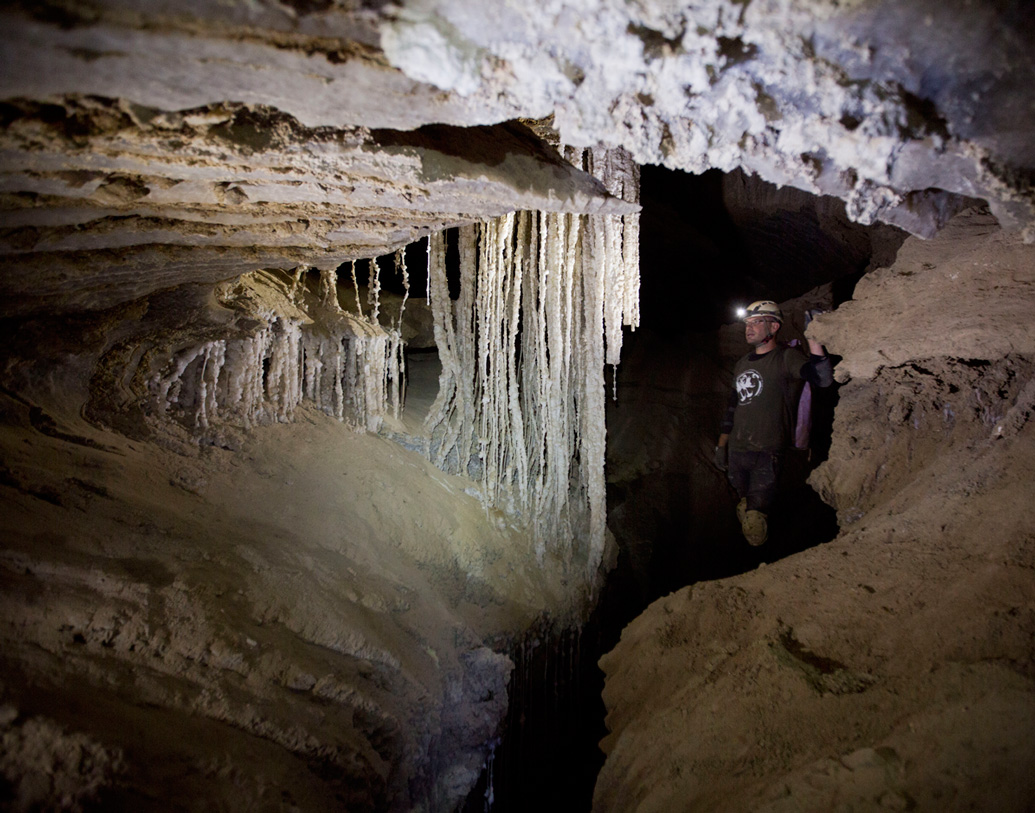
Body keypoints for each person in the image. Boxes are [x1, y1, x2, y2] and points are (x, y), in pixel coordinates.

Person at [714, 300, 833, 545]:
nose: (749, 328)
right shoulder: (742, 364)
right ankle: (749, 561)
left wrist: (814, 338)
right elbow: (732, 406)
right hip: (738, 449)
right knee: (745, 505)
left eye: (757, 322)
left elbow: (822, 379)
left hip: (767, 450)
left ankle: (763, 571)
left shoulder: (786, 357)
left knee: (755, 519)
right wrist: (722, 445)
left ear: (774, 327)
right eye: (747, 323)